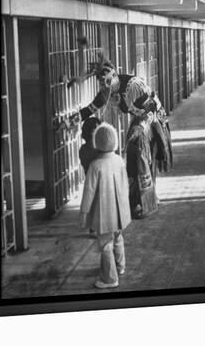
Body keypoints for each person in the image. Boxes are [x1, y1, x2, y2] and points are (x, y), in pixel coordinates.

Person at [79, 123, 131, 289]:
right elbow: (125, 185)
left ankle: (109, 278)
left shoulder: (95, 165)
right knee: (117, 237)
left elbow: (88, 192)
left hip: (104, 213)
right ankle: (120, 266)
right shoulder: (119, 160)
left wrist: (84, 212)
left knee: (105, 243)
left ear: (97, 142)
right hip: (119, 209)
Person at [126, 93, 159, 219]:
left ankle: (137, 205)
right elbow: (142, 159)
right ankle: (139, 206)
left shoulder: (135, 129)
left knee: (134, 184)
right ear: (149, 116)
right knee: (137, 186)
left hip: (133, 166)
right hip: (139, 167)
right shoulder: (140, 133)